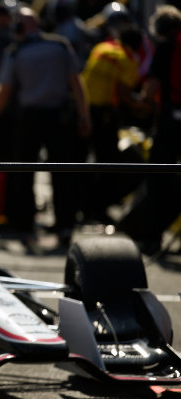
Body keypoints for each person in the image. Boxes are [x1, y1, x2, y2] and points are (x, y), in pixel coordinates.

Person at [0, 6, 91, 248]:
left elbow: (4, 89)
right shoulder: (60, 46)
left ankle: (25, 225)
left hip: (30, 117)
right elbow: (77, 83)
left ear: (20, 27)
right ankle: (64, 226)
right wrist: (84, 116)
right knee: (62, 173)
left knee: (24, 172)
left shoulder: (16, 51)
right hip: (60, 116)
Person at [121, 5, 181, 254]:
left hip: (170, 121)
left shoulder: (165, 49)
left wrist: (141, 102)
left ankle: (152, 237)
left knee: (158, 177)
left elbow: (152, 87)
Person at [81, 24, 150, 223]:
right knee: (107, 164)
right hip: (105, 116)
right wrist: (144, 106)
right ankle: (98, 210)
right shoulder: (127, 59)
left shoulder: (101, 48)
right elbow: (124, 94)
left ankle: (84, 208)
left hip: (84, 111)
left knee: (83, 162)